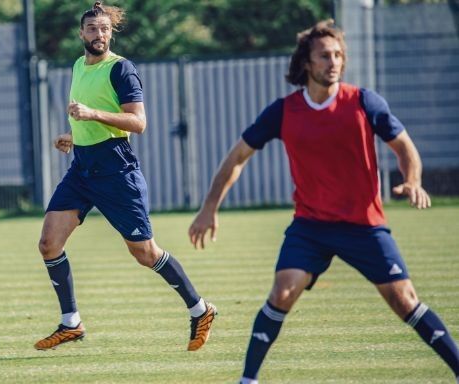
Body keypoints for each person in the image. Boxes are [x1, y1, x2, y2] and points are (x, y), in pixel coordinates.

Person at [188, 19, 459, 384]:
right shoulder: (284, 111)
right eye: (324, 56)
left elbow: (404, 147)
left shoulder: (364, 102)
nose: (333, 62)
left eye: (337, 55)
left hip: (364, 225)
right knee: (282, 291)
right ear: (307, 63)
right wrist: (209, 207)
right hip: (311, 227)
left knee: (404, 300)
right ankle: (248, 380)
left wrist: (412, 181)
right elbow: (237, 157)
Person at [34, 2, 216, 351]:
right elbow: (88, 116)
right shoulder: (77, 65)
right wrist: (73, 136)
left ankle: (200, 308)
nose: (98, 34)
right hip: (82, 168)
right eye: (91, 28)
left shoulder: (122, 69)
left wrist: (90, 114)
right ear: (81, 33)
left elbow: (138, 123)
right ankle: (71, 323)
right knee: (48, 243)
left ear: (110, 32)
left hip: (117, 172)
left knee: (144, 253)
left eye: (103, 28)